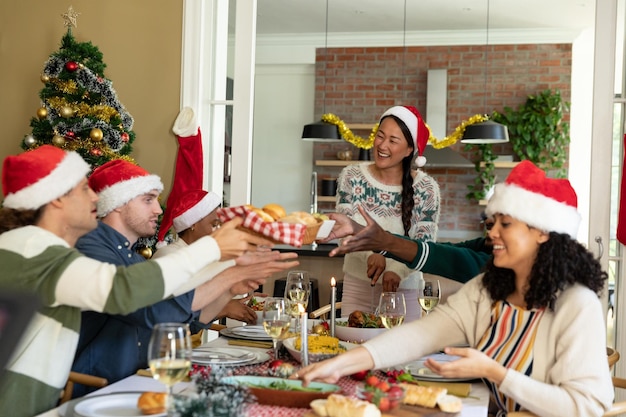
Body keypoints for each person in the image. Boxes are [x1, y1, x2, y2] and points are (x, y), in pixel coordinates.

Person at [296, 160, 613, 417]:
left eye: (506, 224)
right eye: (492, 223)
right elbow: (421, 334)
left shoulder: (576, 304)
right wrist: (338, 365)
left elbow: (585, 407)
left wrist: (497, 373)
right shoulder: (488, 290)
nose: (493, 234)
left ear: (542, 233)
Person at [0, 145, 272, 417]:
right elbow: (126, 291)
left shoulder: (34, 248)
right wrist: (214, 250)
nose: (95, 197)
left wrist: (230, 279)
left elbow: (160, 301)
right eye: (84, 189)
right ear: (57, 198)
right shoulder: (35, 253)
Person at [71, 160, 298, 397]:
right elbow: (155, 314)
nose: (158, 210)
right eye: (148, 200)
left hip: (138, 381)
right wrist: (231, 274)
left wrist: (230, 289)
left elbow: (183, 323)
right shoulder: (93, 249)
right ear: (118, 203)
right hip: (98, 389)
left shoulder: (128, 256)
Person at [336, 105, 440, 320]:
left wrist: (396, 269)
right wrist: (372, 254)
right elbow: (343, 231)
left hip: (406, 293)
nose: (382, 145)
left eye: (393, 141)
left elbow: (424, 241)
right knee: (352, 347)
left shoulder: (426, 188)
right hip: (358, 289)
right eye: (380, 136)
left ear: (409, 150)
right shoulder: (352, 176)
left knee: (404, 353)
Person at [153, 189, 281, 325]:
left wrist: (230, 301)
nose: (220, 230)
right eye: (214, 225)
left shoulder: (204, 257)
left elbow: (196, 304)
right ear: (192, 224)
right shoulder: (169, 257)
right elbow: (171, 317)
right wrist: (224, 309)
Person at [321, 206, 492, 283]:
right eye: (490, 226)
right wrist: (358, 229)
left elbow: (449, 257)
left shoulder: (498, 263)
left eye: (505, 224)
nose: (493, 233)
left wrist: (384, 241)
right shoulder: (488, 244)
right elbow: (444, 250)